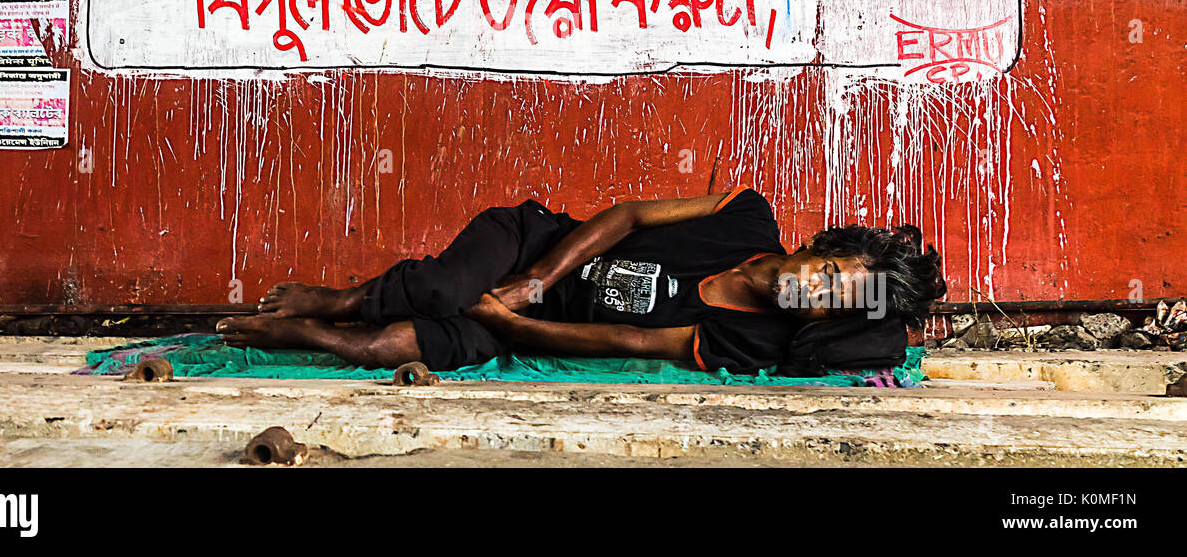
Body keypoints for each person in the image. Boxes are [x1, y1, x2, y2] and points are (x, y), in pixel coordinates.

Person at [216, 186, 947, 374]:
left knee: (385, 351)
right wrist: (533, 279)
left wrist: (516, 329)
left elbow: (629, 341)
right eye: (826, 274)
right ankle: (340, 298)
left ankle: (307, 331)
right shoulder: (744, 216)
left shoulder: (751, 341)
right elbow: (626, 216)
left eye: (827, 303)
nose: (809, 292)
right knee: (439, 290)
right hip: (532, 244)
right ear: (820, 245)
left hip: (533, 317)